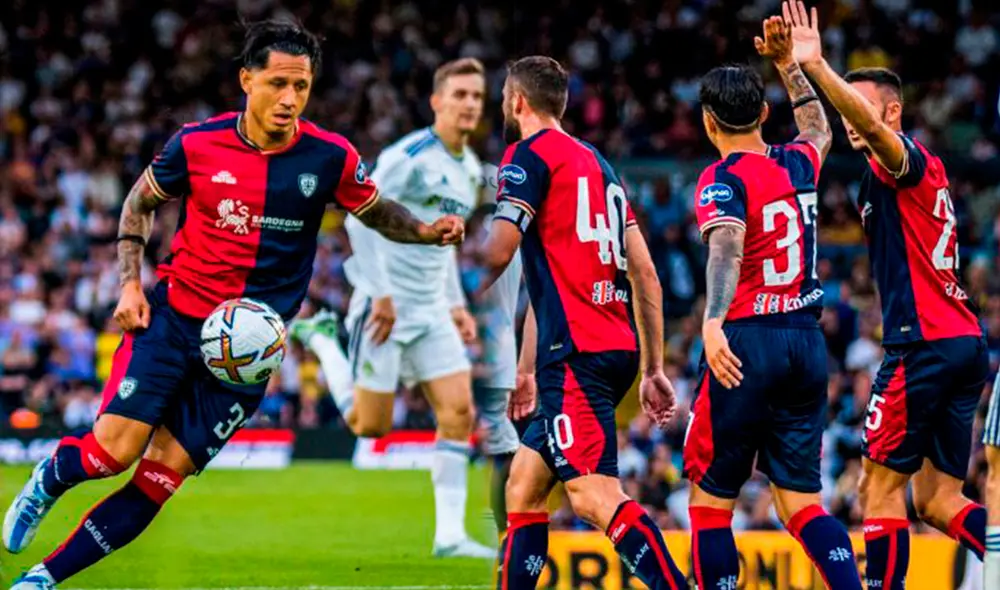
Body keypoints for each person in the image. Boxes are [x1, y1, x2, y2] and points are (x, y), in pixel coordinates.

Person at [3, 19, 464, 589]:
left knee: (158, 479)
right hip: (173, 322)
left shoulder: (330, 157)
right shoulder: (197, 143)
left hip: (247, 354)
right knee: (111, 454)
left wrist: (424, 231)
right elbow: (139, 203)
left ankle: (43, 579)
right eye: (278, 83)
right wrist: (128, 283)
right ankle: (50, 479)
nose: (290, 98)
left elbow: (375, 210)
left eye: (301, 86)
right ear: (247, 80)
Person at [788, 1, 989, 588]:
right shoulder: (892, 174)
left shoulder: (904, 158)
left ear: (892, 110)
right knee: (938, 501)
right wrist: (795, 72)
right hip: (958, 340)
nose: (850, 118)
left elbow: (875, 132)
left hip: (923, 345)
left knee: (876, 486)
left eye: (859, 105)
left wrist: (817, 68)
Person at [477, 55, 685, 590]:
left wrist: (445, 287)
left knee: (592, 496)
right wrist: (653, 368)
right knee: (524, 487)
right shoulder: (597, 165)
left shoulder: (527, 158)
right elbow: (643, 275)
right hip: (606, 347)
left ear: (517, 101)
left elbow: (498, 252)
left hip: (577, 355)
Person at [288, 58, 494, 558]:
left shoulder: (469, 169)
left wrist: (456, 305)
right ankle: (322, 340)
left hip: (431, 310)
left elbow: (445, 246)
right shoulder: (409, 156)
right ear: (437, 101)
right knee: (371, 425)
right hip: (386, 305)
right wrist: (379, 293)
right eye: (460, 94)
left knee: (459, 412)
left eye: (476, 95)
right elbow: (357, 219)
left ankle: (449, 536)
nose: (469, 104)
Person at [683, 14, 862, 589]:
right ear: (764, 113)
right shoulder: (798, 161)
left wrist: (712, 322)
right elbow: (819, 129)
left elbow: (727, 248)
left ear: (708, 122)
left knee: (710, 503)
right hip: (806, 344)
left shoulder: (721, 178)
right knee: (801, 504)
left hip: (746, 343)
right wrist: (788, 65)